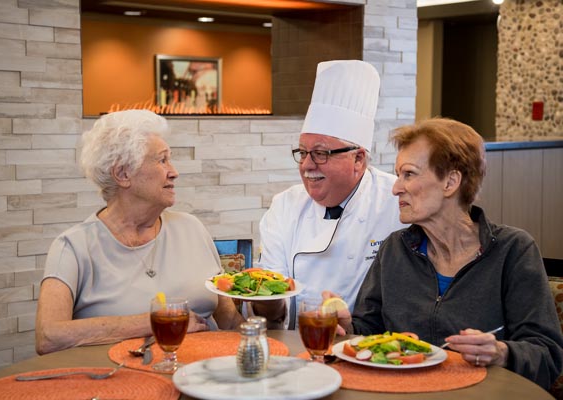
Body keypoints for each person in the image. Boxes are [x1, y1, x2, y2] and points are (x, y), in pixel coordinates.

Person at [333, 118, 563, 389]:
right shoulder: (394, 249)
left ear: (451, 182)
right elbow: (369, 332)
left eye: (408, 174)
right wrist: (347, 329)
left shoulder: (513, 250)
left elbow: (548, 355)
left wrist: (502, 353)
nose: (395, 188)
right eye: (397, 175)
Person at [35, 109, 244, 355]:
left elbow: (230, 320)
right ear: (123, 174)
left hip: (203, 376)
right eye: (162, 160)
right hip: (119, 382)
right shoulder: (73, 246)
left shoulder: (192, 228)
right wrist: (155, 322)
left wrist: (268, 328)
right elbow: (48, 336)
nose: (174, 171)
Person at [254, 60, 406, 329]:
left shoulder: (397, 201)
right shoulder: (285, 206)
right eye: (302, 153)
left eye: (321, 153)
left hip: (369, 348)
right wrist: (263, 297)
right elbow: (271, 306)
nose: (307, 165)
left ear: (358, 159)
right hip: (296, 346)